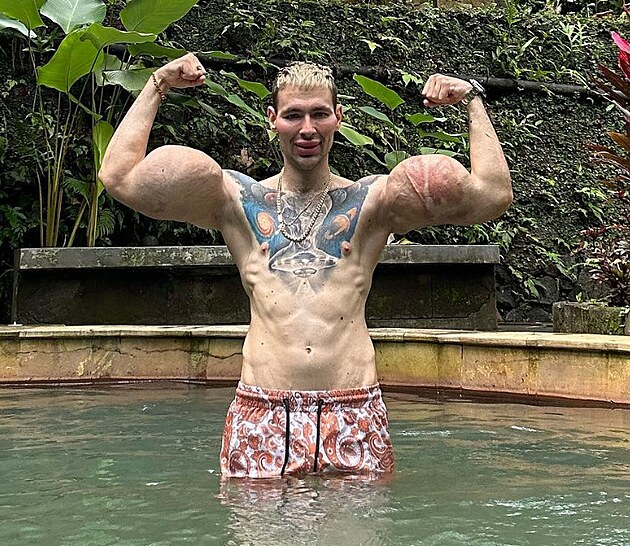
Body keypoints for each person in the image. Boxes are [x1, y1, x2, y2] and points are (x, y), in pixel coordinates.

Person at [99, 55, 513, 479]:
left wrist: (472, 99)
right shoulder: (235, 200)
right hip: (262, 409)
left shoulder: (374, 203)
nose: (308, 128)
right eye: (294, 115)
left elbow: (494, 194)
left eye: (319, 114)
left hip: (352, 407)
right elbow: (118, 176)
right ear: (272, 120)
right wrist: (158, 84)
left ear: (338, 117)